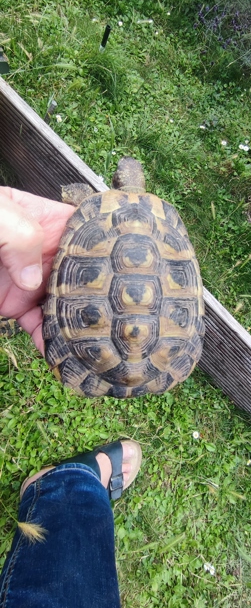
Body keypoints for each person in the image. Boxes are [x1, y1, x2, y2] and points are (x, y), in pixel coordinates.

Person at [0, 186, 142, 607]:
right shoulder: (164, 219)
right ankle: (65, 488)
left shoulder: (91, 210)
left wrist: (89, 203)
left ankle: (67, 488)